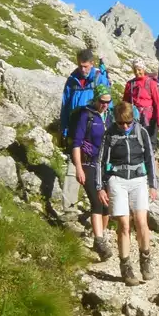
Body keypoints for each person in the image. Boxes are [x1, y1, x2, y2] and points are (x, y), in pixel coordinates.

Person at [96, 102, 158, 286]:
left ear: (133, 119)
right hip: (117, 180)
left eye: (128, 122)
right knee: (123, 224)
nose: (124, 126)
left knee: (141, 221)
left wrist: (153, 184)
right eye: (121, 123)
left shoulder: (141, 132)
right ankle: (126, 267)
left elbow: (150, 159)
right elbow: (100, 161)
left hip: (139, 179)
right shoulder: (110, 134)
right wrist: (100, 187)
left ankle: (145, 259)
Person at [59, 49, 110, 218]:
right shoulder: (72, 79)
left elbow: (106, 103)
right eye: (80, 65)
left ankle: (99, 208)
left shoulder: (99, 78)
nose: (82, 69)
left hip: (93, 132)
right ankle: (69, 212)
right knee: (73, 170)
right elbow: (65, 105)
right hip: (75, 130)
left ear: (92, 63)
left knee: (96, 171)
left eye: (85, 66)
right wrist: (64, 129)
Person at [71, 85, 114, 261]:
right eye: (102, 102)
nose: (105, 105)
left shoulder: (110, 117)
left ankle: (101, 237)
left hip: (105, 167)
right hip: (88, 163)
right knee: (96, 201)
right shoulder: (86, 116)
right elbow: (76, 143)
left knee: (106, 205)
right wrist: (78, 167)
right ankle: (99, 240)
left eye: (108, 102)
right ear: (96, 100)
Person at [123, 59, 159, 149]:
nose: (137, 72)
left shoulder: (152, 83)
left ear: (143, 69)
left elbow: (158, 102)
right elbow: (125, 102)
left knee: (150, 142)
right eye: (135, 70)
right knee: (136, 141)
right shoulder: (130, 84)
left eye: (139, 69)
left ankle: (151, 160)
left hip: (150, 119)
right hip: (135, 117)